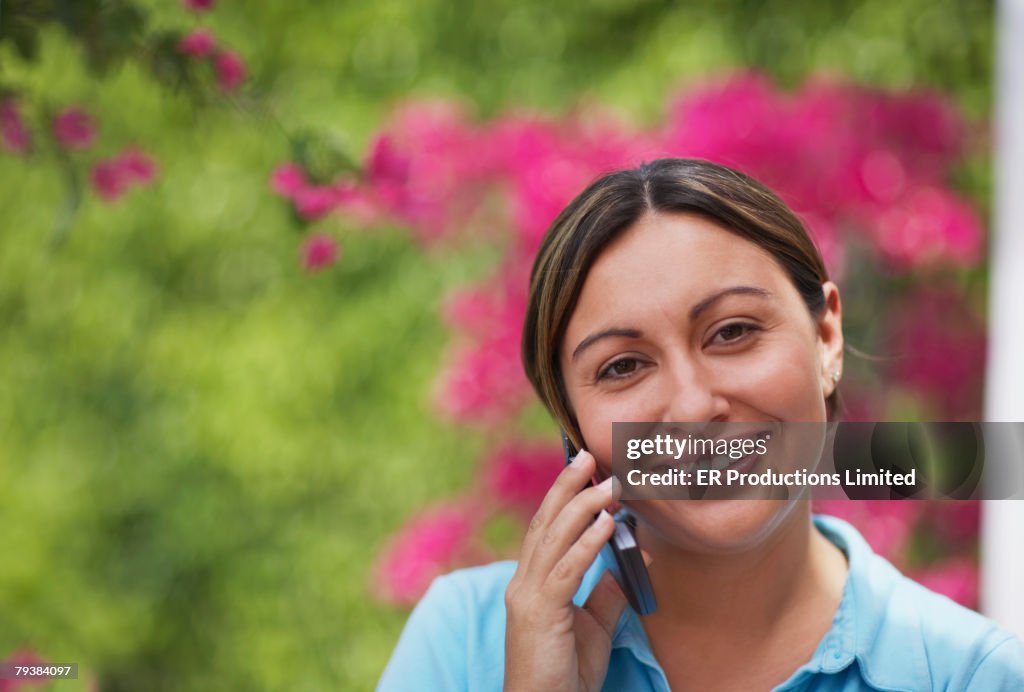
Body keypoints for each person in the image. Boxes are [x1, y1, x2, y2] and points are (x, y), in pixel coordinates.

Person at [377, 158, 1024, 691]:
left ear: (826, 337)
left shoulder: (972, 675)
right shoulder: (464, 641)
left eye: (734, 331)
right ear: (574, 429)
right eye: (623, 366)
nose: (691, 407)